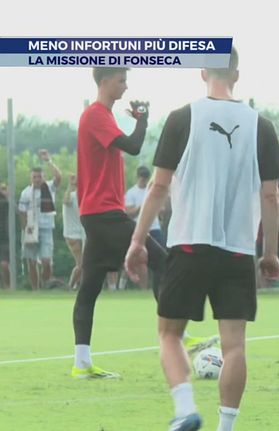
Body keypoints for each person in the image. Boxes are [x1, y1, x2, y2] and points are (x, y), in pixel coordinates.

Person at [124, 47, 279, 431]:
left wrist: (137, 240)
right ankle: (225, 427)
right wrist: (270, 254)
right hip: (237, 251)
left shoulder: (183, 118)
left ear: (201, 73)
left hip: (189, 244)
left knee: (169, 334)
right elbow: (271, 196)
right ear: (237, 75)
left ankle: (185, 410)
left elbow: (159, 186)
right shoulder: (260, 125)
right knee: (235, 346)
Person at [73, 67, 213, 380]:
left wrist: (137, 120)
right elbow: (134, 146)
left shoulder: (103, 116)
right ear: (105, 81)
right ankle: (178, 335)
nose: (126, 86)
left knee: (89, 288)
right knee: (164, 262)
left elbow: (125, 145)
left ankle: (81, 363)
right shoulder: (95, 115)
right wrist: (143, 120)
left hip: (96, 214)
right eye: (121, 80)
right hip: (106, 214)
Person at [18, 150, 62, 290]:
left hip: (46, 227)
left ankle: (45, 284)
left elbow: (58, 177)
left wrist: (48, 161)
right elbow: (22, 212)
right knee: (31, 261)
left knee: (46, 261)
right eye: (34, 177)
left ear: (43, 177)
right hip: (31, 228)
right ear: (31, 178)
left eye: (39, 177)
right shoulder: (26, 192)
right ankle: (35, 290)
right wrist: (25, 229)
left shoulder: (48, 187)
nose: (37, 179)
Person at [62, 174, 85, 290]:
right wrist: (70, 185)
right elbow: (66, 200)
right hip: (71, 234)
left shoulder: (84, 196)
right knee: (81, 264)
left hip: (82, 233)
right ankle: (70, 287)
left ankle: (76, 285)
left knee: (84, 264)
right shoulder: (71, 195)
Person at [0, 184, 10, 288]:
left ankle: (8, 287)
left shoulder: (7, 202)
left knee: (4, 265)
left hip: (5, 238)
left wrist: (6, 196)